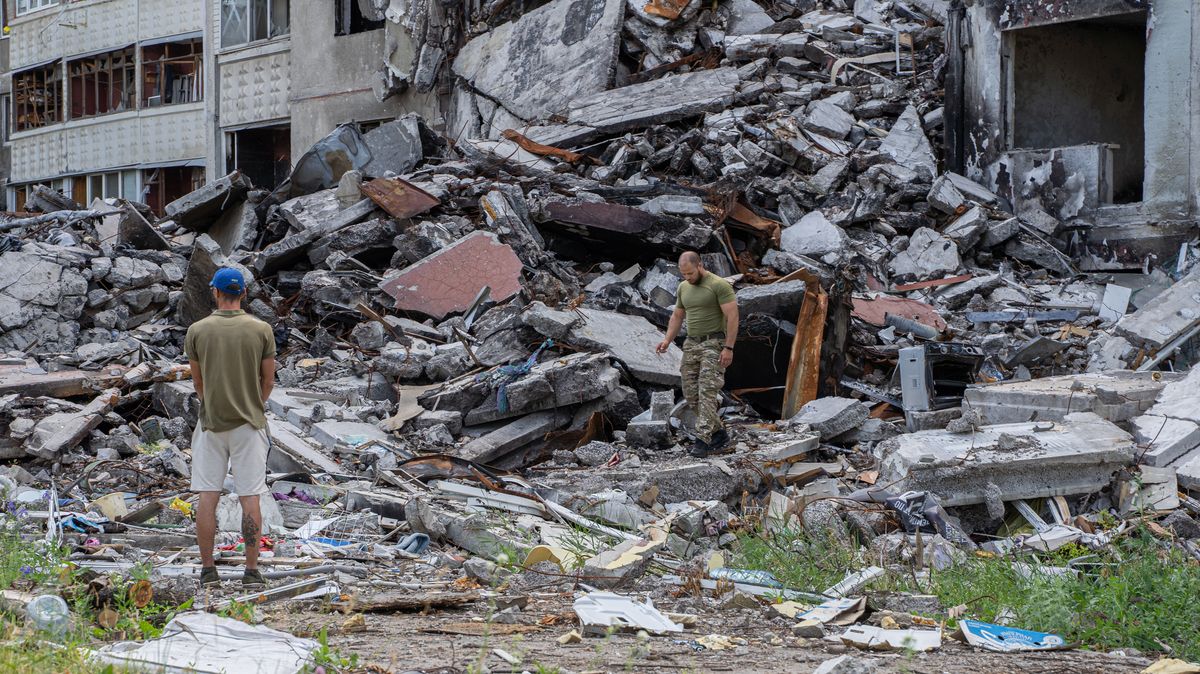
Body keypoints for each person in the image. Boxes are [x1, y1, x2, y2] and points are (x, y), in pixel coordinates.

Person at [185, 267, 276, 588]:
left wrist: (213, 405)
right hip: (249, 426)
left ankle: (209, 571)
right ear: (244, 294)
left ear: (215, 292)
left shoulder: (197, 330)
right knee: (250, 498)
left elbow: (198, 383)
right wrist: (253, 403)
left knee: (207, 497)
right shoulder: (261, 329)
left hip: (211, 425)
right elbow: (268, 381)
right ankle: (251, 572)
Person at [655, 251, 739, 456]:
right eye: (684, 274)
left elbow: (733, 316)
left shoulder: (719, 285)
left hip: (714, 342)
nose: (687, 278)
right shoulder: (684, 287)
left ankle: (703, 440)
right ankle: (718, 433)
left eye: (690, 273)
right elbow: (677, 316)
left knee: (707, 391)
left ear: (700, 265)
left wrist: (728, 347)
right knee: (690, 392)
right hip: (691, 344)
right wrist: (667, 339)